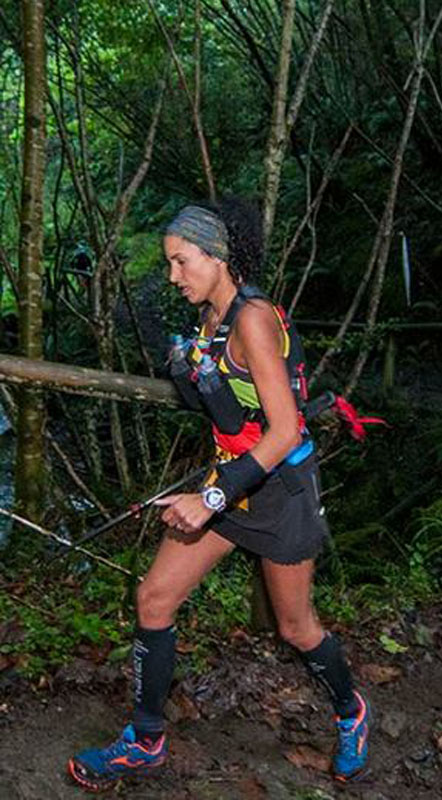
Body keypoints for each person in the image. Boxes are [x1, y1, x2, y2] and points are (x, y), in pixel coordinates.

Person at [67, 200, 370, 791]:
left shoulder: (253, 319)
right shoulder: (212, 319)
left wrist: (208, 499)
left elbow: (284, 430)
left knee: (297, 628)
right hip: (231, 487)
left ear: (218, 256)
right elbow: (227, 408)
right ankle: (146, 741)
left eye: (182, 262)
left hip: (279, 491)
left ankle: (350, 711)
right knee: (154, 598)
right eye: (170, 265)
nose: (174, 276)